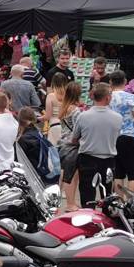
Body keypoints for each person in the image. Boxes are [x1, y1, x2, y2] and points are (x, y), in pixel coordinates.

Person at [68, 82, 121, 208]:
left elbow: (74, 139)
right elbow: (116, 136)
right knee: (107, 192)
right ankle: (107, 215)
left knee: (87, 191)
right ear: (107, 97)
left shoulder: (83, 116)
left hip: (87, 157)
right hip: (108, 158)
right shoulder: (117, 118)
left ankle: (88, 214)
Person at [58, 81, 84, 212]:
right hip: (73, 145)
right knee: (72, 176)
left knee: (67, 174)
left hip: (63, 143)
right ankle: (70, 203)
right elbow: (77, 130)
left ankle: (71, 201)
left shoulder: (64, 107)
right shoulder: (76, 111)